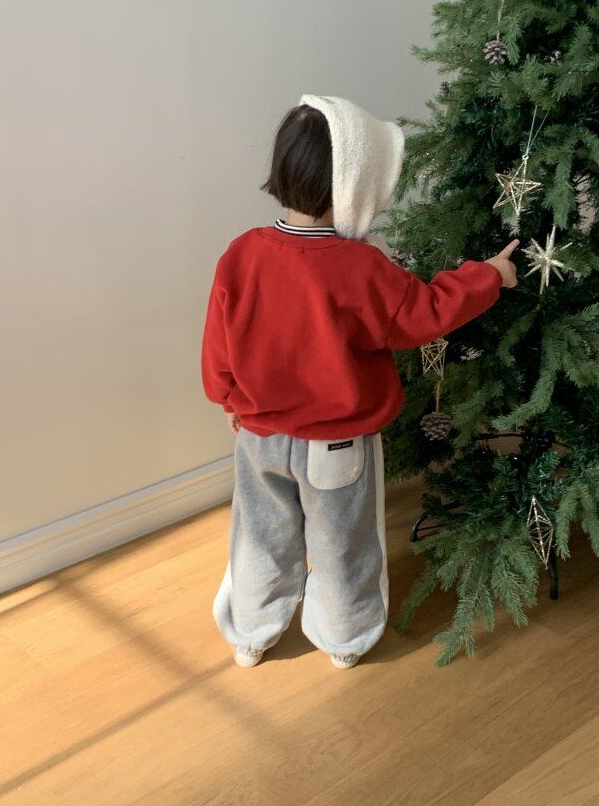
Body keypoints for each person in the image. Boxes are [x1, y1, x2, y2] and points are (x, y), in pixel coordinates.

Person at [202, 96, 518, 670]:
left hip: (258, 438)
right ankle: (345, 638)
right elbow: (426, 312)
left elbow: (219, 340)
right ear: (358, 187)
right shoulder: (360, 267)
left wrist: (227, 397)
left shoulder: (242, 254)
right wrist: (488, 276)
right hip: (338, 446)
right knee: (343, 543)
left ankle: (250, 632)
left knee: (260, 537)